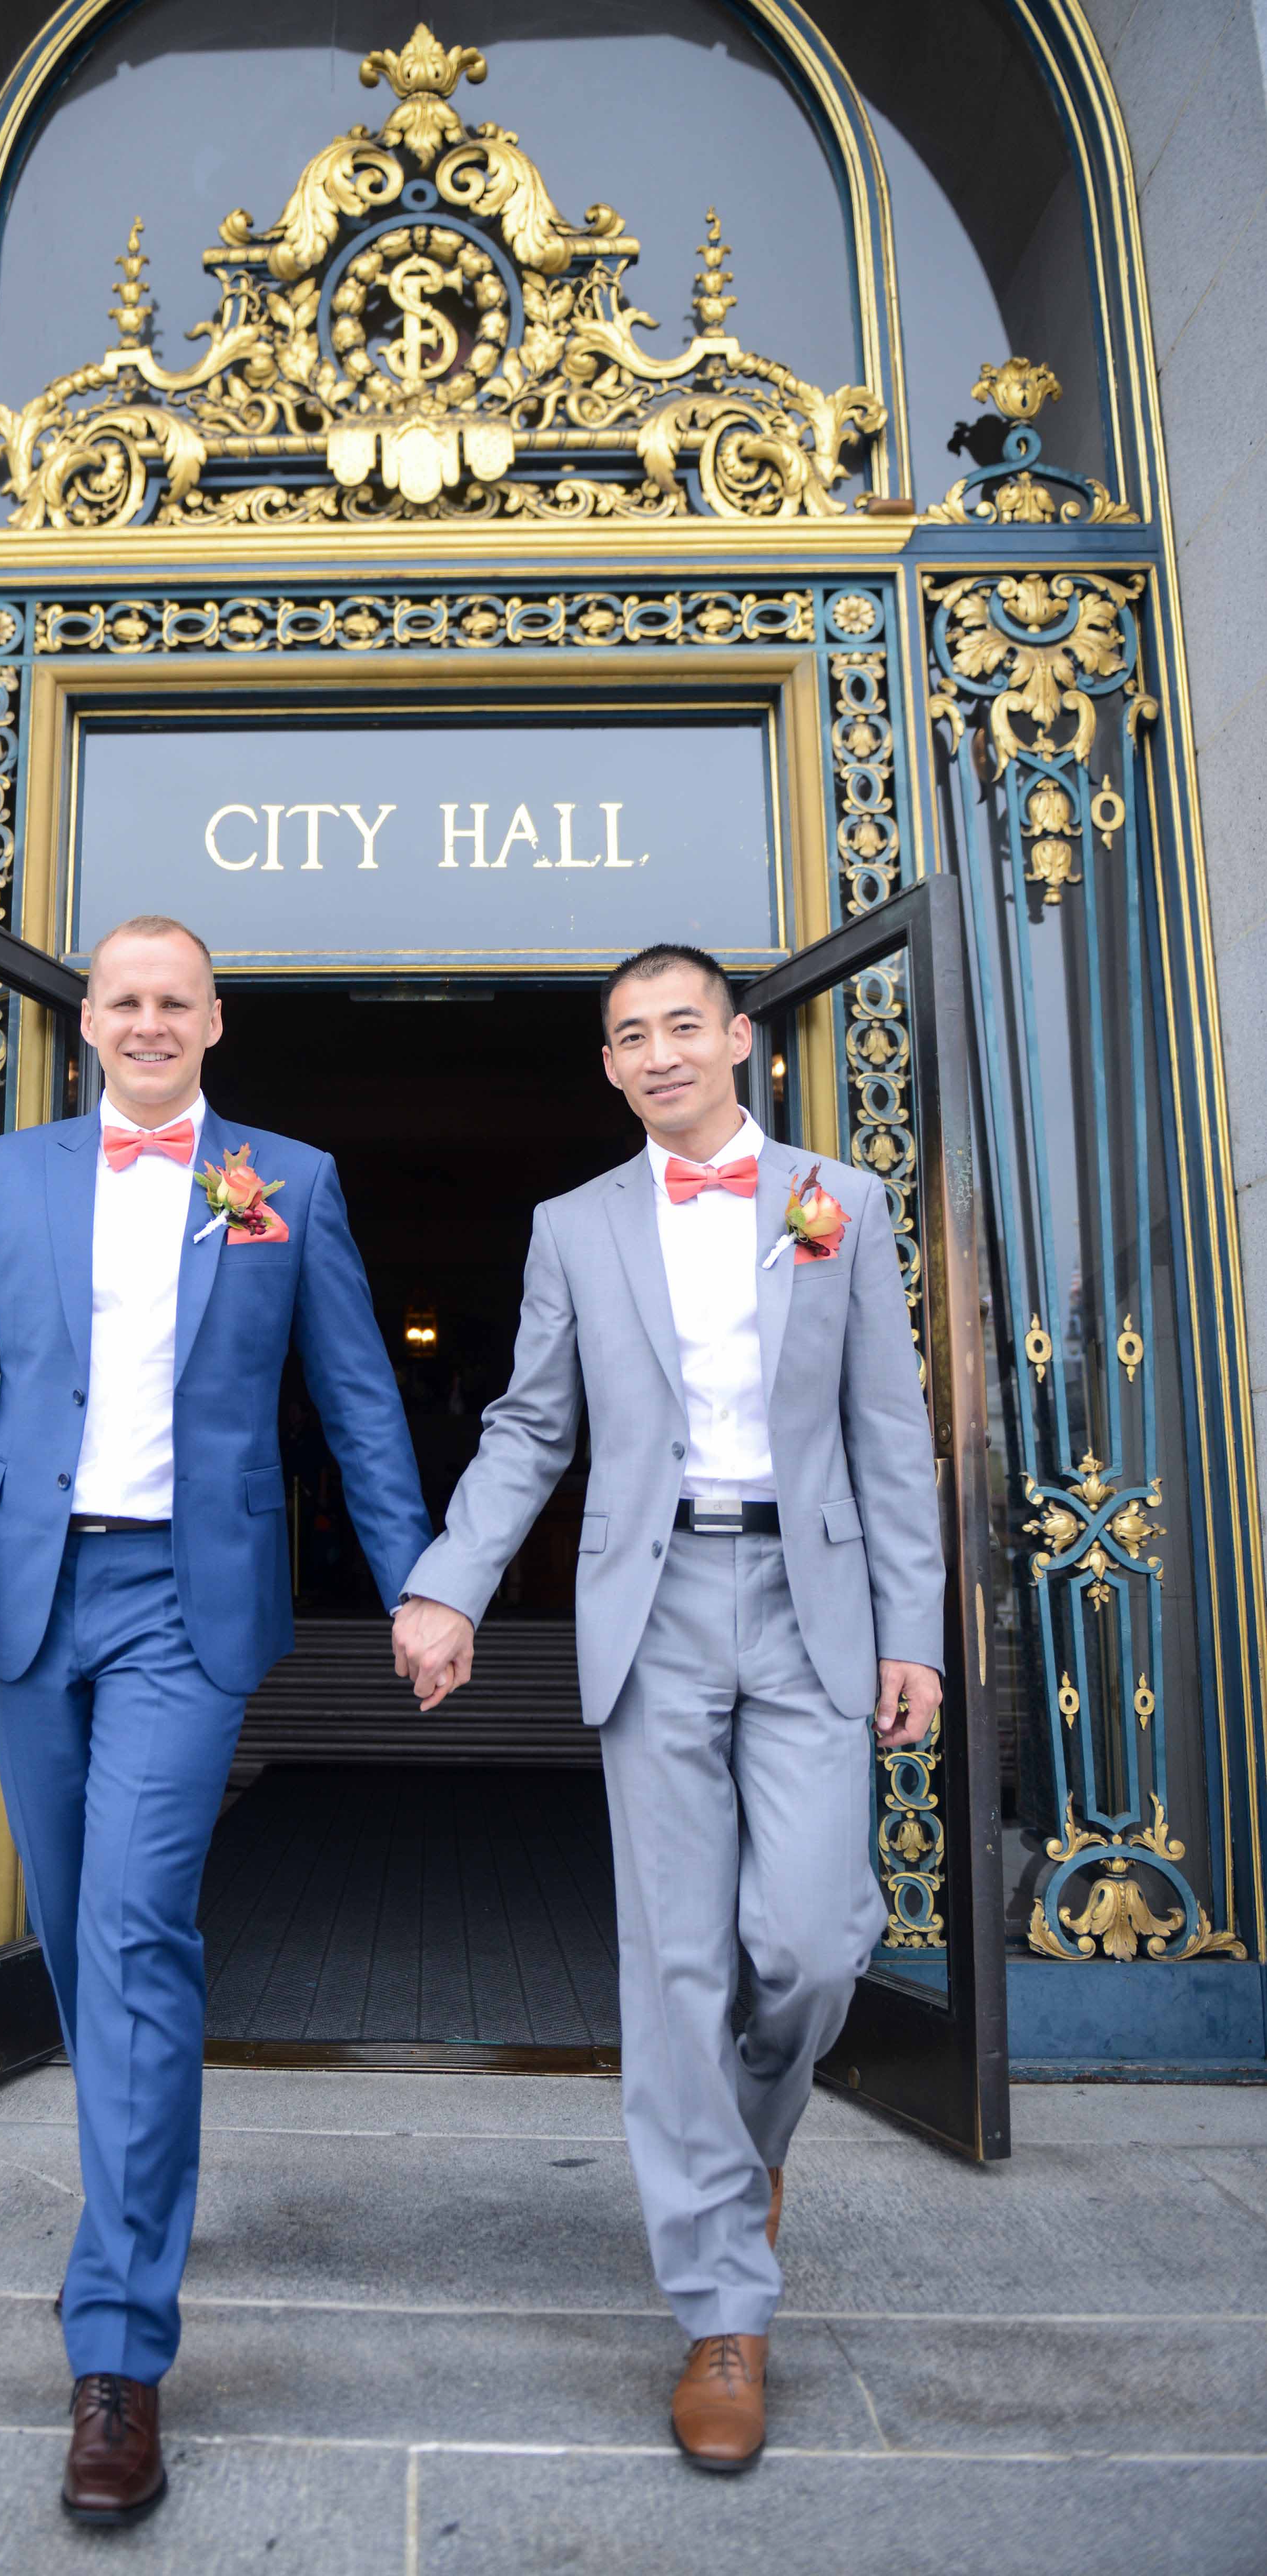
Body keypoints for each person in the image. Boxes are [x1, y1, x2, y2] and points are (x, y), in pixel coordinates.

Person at [0, 914, 430, 2526]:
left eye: (171, 1001)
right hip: (22, 1591)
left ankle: (115, 2352)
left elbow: (353, 1396)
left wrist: (419, 1584)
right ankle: (144, 2167)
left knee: (133, 1926)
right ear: (87, 1024)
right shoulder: (10, 1177)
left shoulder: (290, 1181)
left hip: (188, 1610)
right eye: (118, 1001)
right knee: (77, 1935)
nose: (145, 1022)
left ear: (215, 1021)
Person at [391, 941, 943, 2473]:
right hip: (653, 1611)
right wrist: (448, 1585)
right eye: (626, 1036)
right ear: (611, 1065)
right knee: (678, 1958)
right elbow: (528, 1427)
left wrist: (919, 1633)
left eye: (678, 1026)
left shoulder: (840, 1202)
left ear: (740, 1041)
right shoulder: (573, 1227)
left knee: (814, 1946)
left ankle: (740, 2160)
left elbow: (891, 1432)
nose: (653, 1054)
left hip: (812, 1603)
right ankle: (720, 2308)